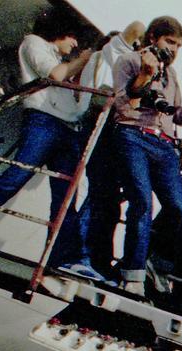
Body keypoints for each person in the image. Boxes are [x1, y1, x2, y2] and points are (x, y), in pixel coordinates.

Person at [0, 10, 103, 280]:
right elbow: (55, 74)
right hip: (43, 121)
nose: (74, 44)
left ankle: (66, 256)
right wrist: (84, 59)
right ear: (59, 31)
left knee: (66, 195)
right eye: (72, 37)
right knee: (14, 177)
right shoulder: (34, 44)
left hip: (66, 126)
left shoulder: (61, 56)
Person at [111, 16, 182, 294]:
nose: (175, 50)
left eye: (179, 45)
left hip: (165, 144)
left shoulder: (172, 75)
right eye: (170, 42)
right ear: (153, 37)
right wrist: (144, 75)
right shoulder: (129, 61)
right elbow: (122, 106)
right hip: (134, 135)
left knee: (178, 207)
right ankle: (132, 273)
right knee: (142, 202)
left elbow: (173, 114)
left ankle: (158, 262)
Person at [79, 21, 145, 280]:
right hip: (101, 125)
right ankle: (86, 256)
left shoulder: (103, 61)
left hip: (104, 129)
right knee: (98, 197)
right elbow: (136, 28)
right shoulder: (109, 55)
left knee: (104, 200)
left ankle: (97, 259)